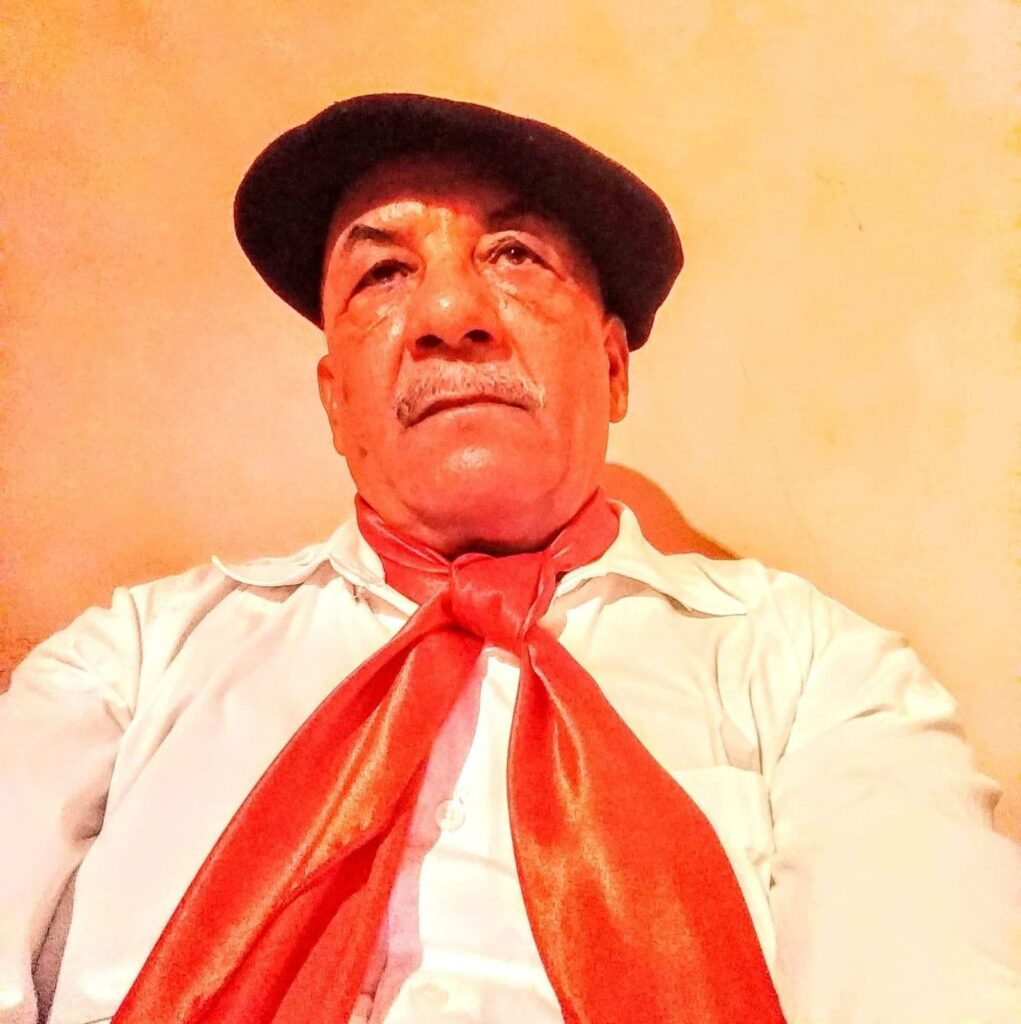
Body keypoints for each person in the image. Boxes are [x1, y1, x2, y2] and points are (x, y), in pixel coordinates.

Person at [0, 94, 1017, 1024]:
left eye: (516, 257)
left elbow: (924, 984)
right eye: (383, 274)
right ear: (334, 401)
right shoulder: (129, 662)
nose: (450, 316)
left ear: (612, 370)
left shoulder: (817, 675)